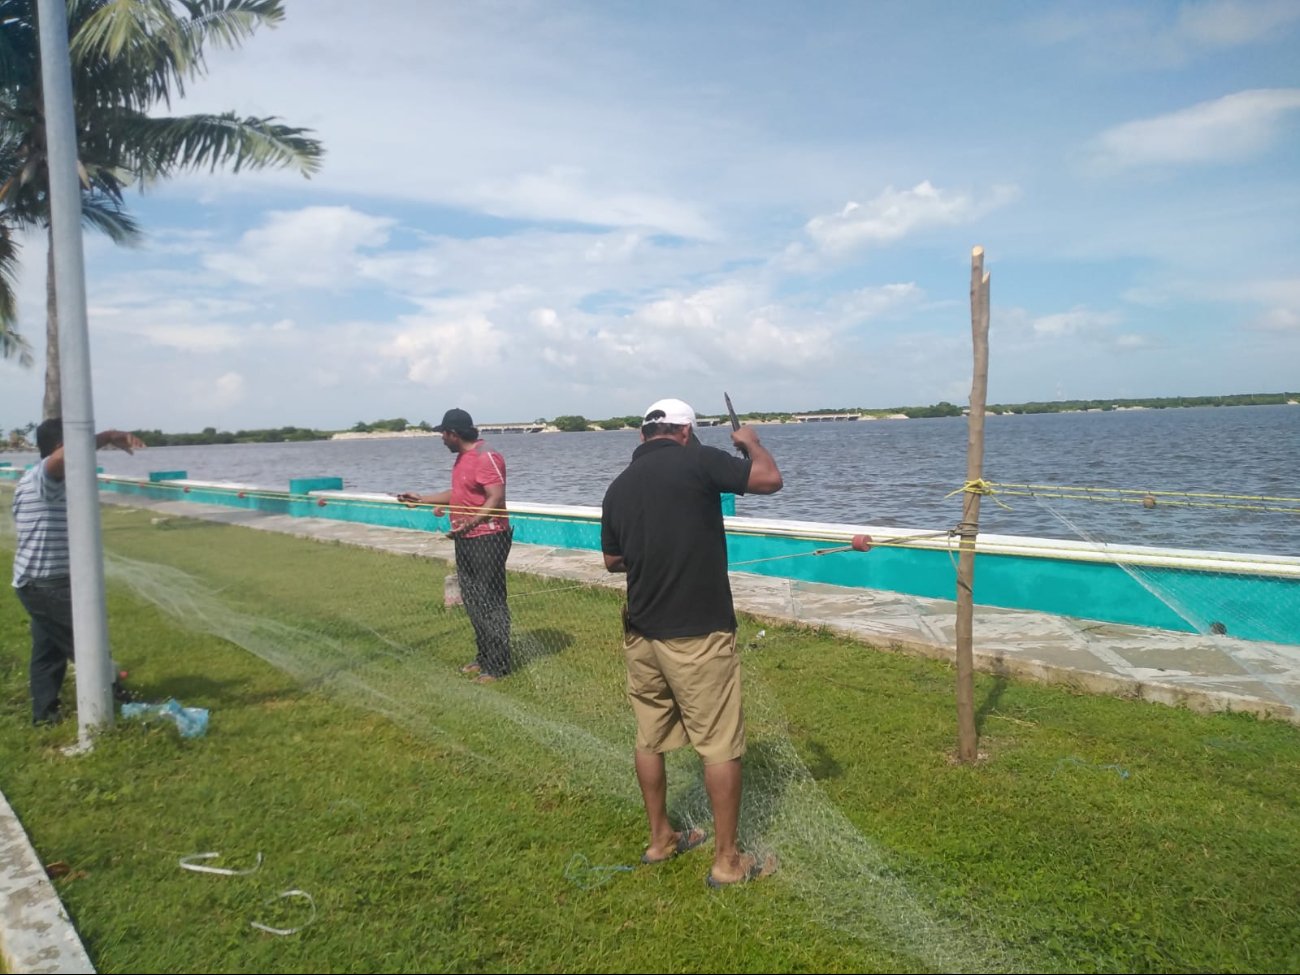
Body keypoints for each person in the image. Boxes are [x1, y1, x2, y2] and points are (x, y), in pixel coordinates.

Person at [600, 397, 784, 887]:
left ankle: (660, 839)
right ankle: (727, 863)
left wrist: (652, 546)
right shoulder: (698, 459)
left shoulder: (618, 487)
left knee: (649, 736)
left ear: (643, 435)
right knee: (720, 743)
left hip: (642, 634)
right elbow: (767, 480)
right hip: (698, 634)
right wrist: (751, 444)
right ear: (685, 432)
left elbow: (612, 561)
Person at [11, 418, 145, 725]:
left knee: (48, 652)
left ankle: (44, 718)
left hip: (39, 582)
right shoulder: (45, 476)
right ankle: (118, 706)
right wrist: (109, 435)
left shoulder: (54, 481)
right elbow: (64, 457)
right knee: (87, 645)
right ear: (61, 447)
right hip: (45, 584)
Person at [397, 408, 512, 683]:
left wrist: (469, 524)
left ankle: (498, 666)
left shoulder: (488, 457)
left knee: (491, 601)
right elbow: (459, 494)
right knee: (472, 600)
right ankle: (484, 657)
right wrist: (422, 499)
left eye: (443, 434)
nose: (441, 439)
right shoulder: (462, 459)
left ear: (454, 433)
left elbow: (494, 498)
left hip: (488, 538)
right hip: (465, 537)